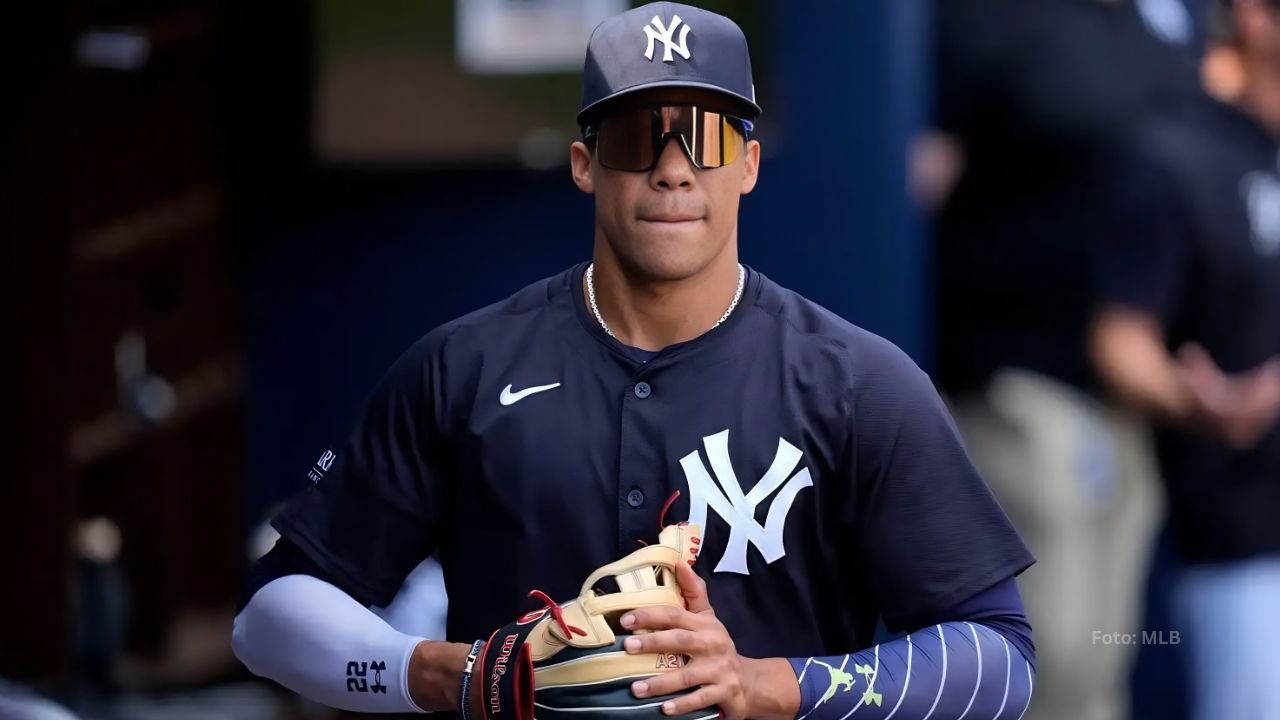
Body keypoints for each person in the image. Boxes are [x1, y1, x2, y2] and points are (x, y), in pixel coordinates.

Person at [232, 4, 1036, 719]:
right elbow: (269, 619)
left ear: (749, 167)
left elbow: (1000, 660)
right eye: (636, 135)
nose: (674, 165)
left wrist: (769, 686)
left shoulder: (861, 383)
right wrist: (461, 675)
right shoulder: (464, 367)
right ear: (585, 164)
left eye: (709, 134)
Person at [923, 2, 1205, 719]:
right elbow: (916, 176)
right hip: (1019, 380)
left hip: (1133, 395)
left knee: (1107, 656)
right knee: (1051, 648)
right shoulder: (994, 24)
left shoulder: (1158, 28)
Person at [1091, 1, 1280, 718]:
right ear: (1254, 18)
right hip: (1240, 543)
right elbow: (1120, 339)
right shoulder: (1178, 156)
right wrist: (1202, 401)